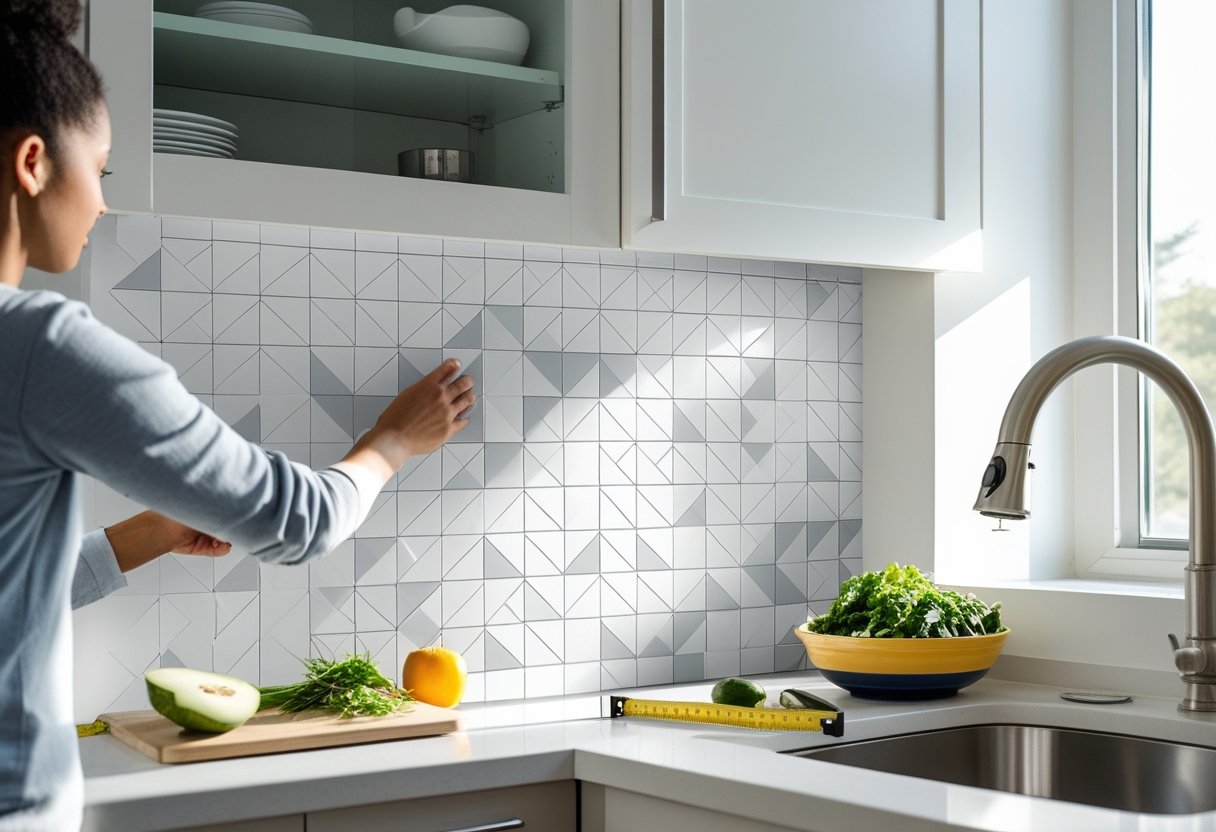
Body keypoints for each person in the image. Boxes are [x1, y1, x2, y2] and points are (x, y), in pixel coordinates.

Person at [0, 1, 476, 828]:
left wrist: (144, 536)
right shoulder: (40, 347)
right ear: (34, 162)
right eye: (102, 172)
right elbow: (300, 521)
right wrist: (392, 440)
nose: (103, 205)